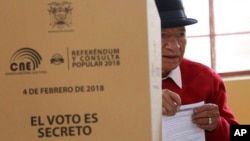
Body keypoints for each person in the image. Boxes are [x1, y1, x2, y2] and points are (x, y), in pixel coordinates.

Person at [155, 0, 239, 141]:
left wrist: (216, 125)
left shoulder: (207, 78)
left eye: (180, 34)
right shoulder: (120, 79)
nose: (175, 46)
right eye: (162, 35)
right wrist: (143, 104)